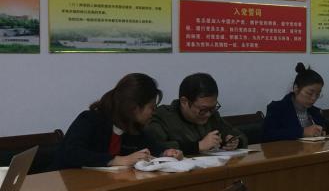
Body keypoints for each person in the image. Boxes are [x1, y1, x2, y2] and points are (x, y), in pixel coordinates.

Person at [51, 73, 183, 169]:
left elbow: (153, 148)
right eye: (152, 108)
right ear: (134, 108)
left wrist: (166, 153)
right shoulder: (90, 119)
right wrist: (116, 160)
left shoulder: (135, 127)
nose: (154, 113)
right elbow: (71, 153)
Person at [145, 72, 248, 155]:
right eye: (203, 110)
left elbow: (238, 134)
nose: (208, 114)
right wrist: (198, 146)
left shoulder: (213, 115)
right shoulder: (163, 116)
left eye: (213, 108)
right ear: (184, 102)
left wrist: (236, 141)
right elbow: (154, 147)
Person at [263, 63, 326, 141]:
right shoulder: (277, 108)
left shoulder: (316, 112)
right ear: (296, 88)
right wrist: (302, 132)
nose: (313, 98)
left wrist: (320, 133)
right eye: (309, 93)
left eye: (317, 94)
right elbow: (267, 135)